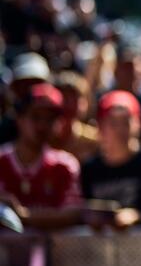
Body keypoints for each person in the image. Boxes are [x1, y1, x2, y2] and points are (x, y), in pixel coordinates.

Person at [81, 90, 141, 229]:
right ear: (100, 127)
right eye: (113, 123)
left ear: (139, 123)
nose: (120, 129)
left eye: (126, 121)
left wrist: (136, 217)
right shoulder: (90, 168)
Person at [0, 83, 82, 230]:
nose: (42, 125)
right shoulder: (1, 161)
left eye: (50, 119)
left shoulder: (64, 165)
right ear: (20, 119)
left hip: (54, 252)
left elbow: (72, 213)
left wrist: (23, 215)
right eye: (36, 117)